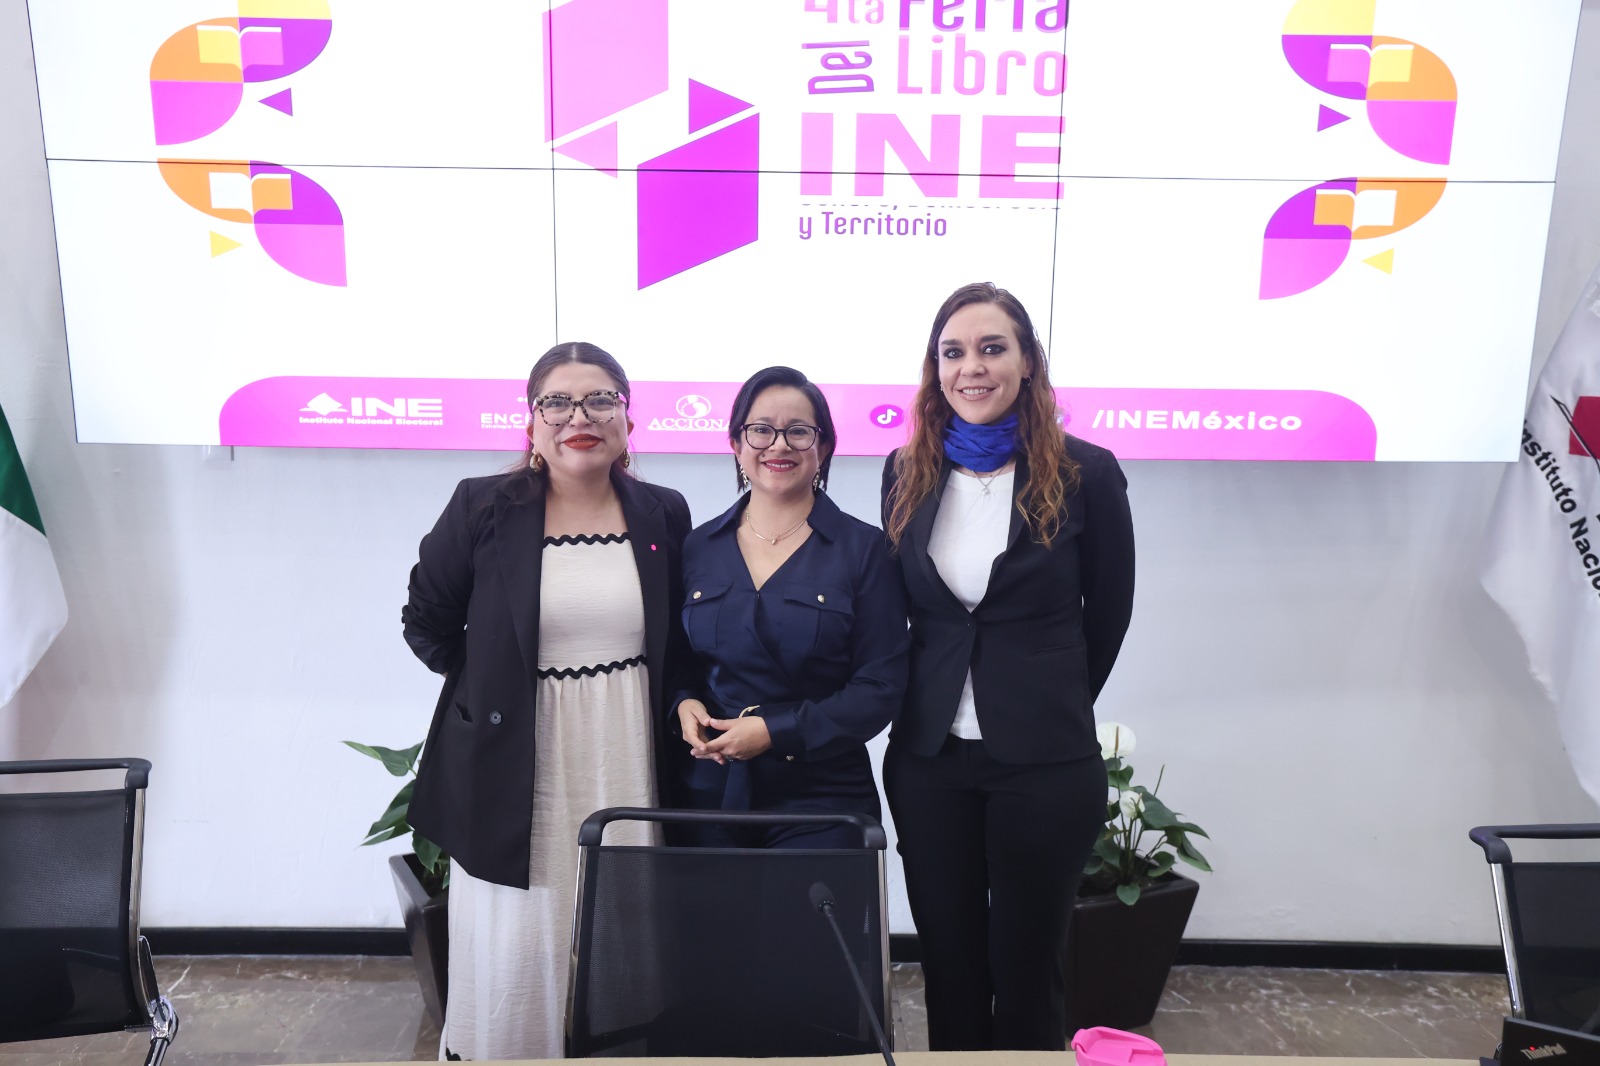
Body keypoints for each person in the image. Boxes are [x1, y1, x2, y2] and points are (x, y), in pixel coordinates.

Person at [401, 342, 692, 1061]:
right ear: (531, 424)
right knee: (519, 925)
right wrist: (493, 686)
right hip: (517, 753)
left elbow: (680, 638)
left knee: (624, 920)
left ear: (628, 417)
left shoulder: (663, 512)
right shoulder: (481, 507)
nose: (578, 417)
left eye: (599, 399)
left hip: (625, 745)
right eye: (556, 402)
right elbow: (427, 622)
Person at [880, 283, 1136, 1051]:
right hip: (929, 762)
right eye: (953, 352)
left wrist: (1040, 701)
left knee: (1028, 971)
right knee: (950, 970)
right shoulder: (907, 469)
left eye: (993, 348)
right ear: (935, 369)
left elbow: (1110, 613)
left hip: (1044, 765)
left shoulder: (1086, 472)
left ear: (1027, 362)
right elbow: (913, 609)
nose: (973, 368)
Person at [674, 366, 908, 848]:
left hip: (822, 798)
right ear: (737, 444)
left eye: (798, 432)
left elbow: (879, 688)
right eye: (760, 429)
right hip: (710, 790)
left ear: (823, 447)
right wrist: (683, 703)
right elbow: (679, 662)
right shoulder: (699, 546)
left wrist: (774, 732)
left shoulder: (864, 549)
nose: (778, 445)